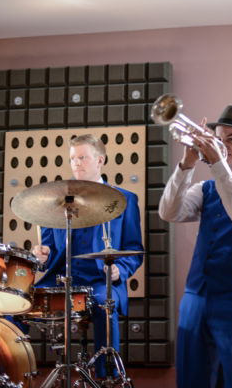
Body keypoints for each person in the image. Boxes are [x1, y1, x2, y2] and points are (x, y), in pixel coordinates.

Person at [158, 105, 232, 388]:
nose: (222, 145)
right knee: (190, 380)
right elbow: (169, 212)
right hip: (196, 297)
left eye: (231, 139)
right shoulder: (206, 188)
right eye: (218, 138)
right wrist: (186, 164)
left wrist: (218, 165)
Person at [32, 134, 143, 378]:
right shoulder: (57, 201)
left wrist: (120, 269)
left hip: (100, 281)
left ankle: (107, 377)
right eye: (73, 158)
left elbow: (135, 250)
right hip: (61, 279)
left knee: (104, 305)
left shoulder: (124, 200)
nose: (76, 163)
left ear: (100, 160)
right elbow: (49, 250)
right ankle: (14, 374)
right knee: (17, 304)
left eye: (82, 157)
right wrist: (43, 256)